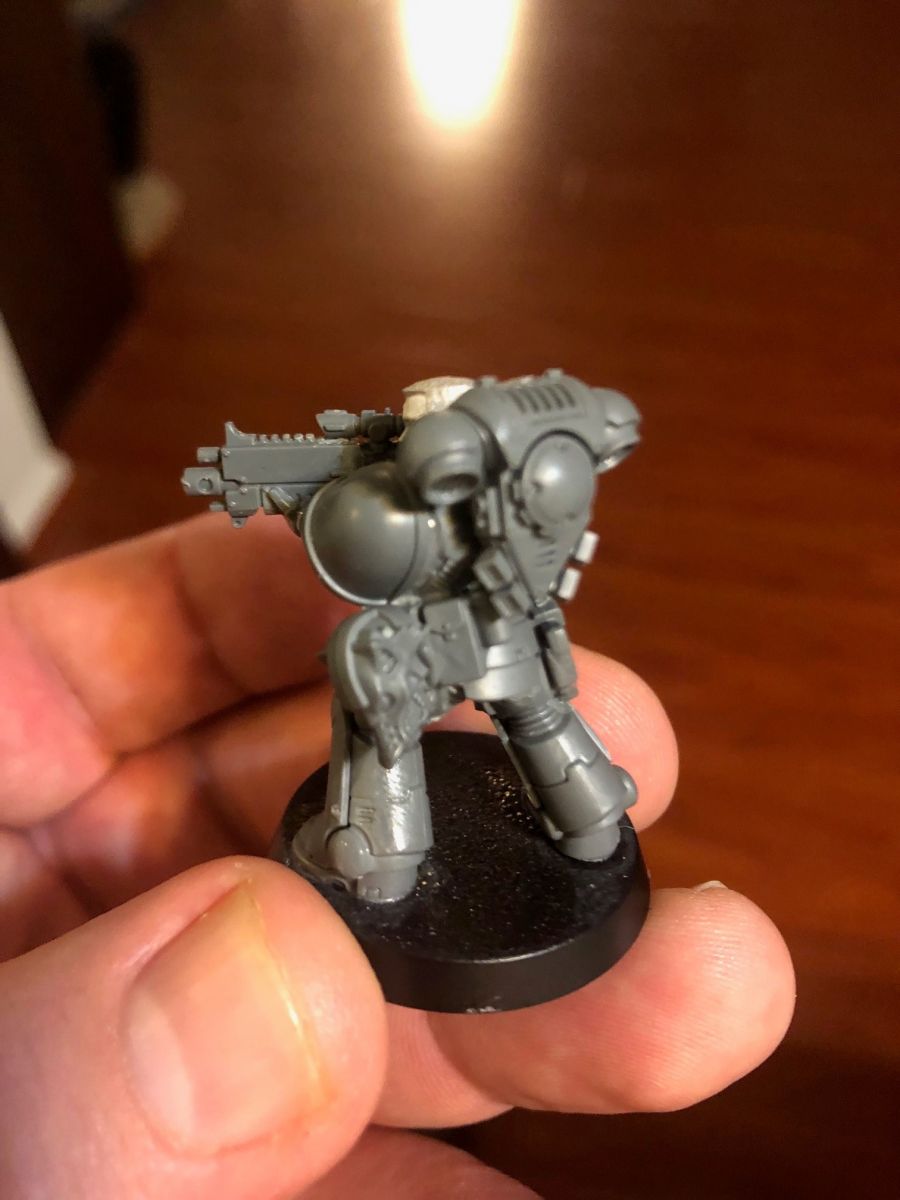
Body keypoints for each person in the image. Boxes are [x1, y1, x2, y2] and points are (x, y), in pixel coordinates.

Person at [0, 514, 795, 1199]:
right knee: (475, 726)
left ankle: (432, 851)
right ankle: (517, 832)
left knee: (436, 727)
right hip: (466, 629)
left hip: (459, 632)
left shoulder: (473, 488)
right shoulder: (472, 488)